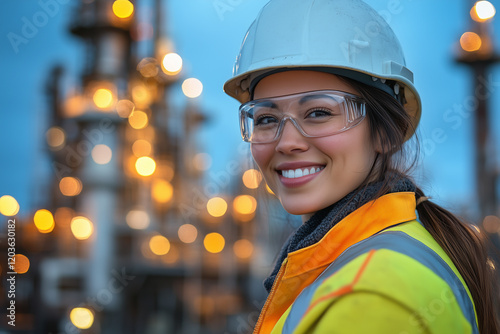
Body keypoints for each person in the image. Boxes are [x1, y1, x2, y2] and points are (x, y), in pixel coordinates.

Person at [223, 0, 499, 333]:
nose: (286, 142)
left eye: (319, 113)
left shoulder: (372, 297)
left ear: (385, 132)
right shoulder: (362, 259)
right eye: (266, 119)